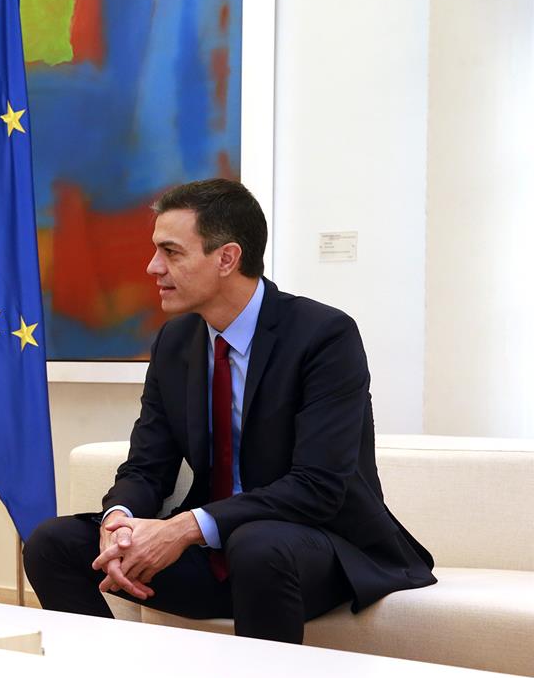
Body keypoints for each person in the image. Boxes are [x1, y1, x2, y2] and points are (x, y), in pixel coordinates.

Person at [23, 179, 435, 643]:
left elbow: (318, 487)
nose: (152, 266)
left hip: (316, 549)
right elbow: (147, 466)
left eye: (171, 251)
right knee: (52, 544)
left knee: (257, 545)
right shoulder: (175, 342)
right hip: (217, 556)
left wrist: (183, 528)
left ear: (226, 258)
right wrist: (117, 520)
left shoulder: (324, 336)